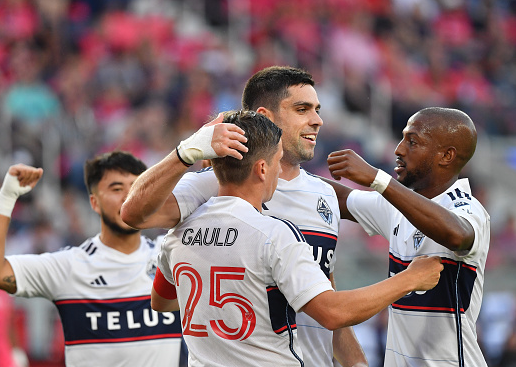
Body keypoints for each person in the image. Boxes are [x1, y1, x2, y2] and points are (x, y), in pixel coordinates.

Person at [149, 110, 444, 366]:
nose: (281, 170)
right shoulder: (274, 233)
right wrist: (410, 279)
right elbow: (332, 313)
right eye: (278, 161)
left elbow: (161, 301)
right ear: (262, 169)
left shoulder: (179, 232)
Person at [121, 66, 368, 366]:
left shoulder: (324, 194)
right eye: (302, 109)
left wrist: (357, 363)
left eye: (317, 110)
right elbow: (133, 214)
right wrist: (185, 152)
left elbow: (327, 292)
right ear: (265, 116)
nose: (317, 120)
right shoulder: (211, 184)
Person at [325, 107, 490, 366]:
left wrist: (378, 179)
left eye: (413, 142)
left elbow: (458, 236)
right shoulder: (397, 207)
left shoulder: (468, 209)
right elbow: (340, 198)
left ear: (446, 156)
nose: (399, 149)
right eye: (402, 138)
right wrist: (281, 165)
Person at [0, 151, 182, 367]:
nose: (128, 197)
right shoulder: (69, 266)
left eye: (136, 187)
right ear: (94, 203)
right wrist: (7, 196)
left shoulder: (172, 256)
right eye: (116, 189)